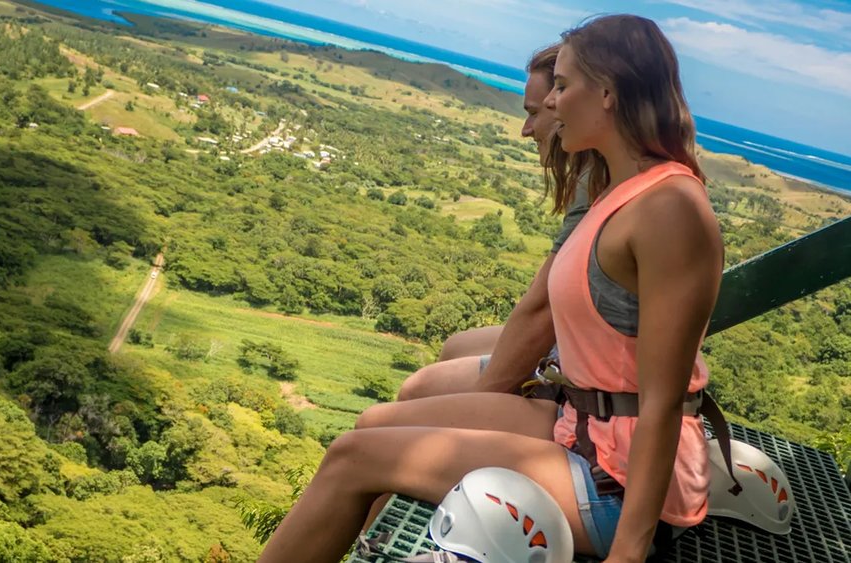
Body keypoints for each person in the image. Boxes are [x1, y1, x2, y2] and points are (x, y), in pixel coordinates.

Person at [257, 14, 722, 563]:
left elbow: (663, 399)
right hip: (581, 430)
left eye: (563, 86)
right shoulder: (620, 189)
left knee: (353, 456)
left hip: (616, 484)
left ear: (607, 94)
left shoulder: (669, 208)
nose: (551, 104)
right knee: (375, 426)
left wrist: (627, 553)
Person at [397, 44, 589, 402]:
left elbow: (542, 309)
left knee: (417, 390)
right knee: (455, 347)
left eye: (534, 112)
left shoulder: (593, 186)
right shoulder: (591, 180)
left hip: (578, 366)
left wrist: (477, 405)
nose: (526, 129)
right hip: (573, 344)